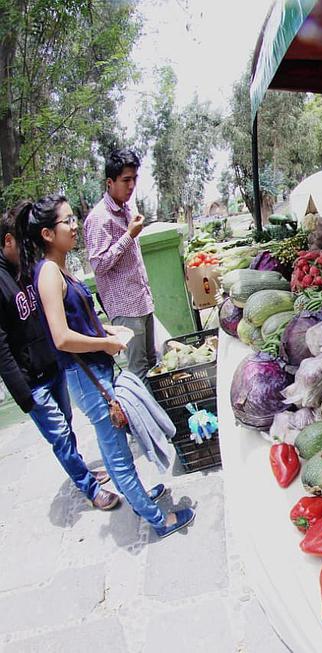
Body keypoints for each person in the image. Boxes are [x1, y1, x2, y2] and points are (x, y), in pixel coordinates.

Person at [18, 194, 194, 538]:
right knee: (116, 453)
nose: (73, 226)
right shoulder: (48, 274)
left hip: (95, 370)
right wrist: (105, 343)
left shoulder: (61, 267)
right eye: (66, 221)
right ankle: (159, 522)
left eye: (72, 218)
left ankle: (141, 494)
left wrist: (106, 330)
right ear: (47, 234)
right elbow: (61, 338)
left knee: (118, 439)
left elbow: (76, 320)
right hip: (85, 377)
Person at [0, 202, 119, 511]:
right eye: (21, 241)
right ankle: (90, 488)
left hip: (53, 367)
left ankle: (81, 469)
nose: (28, 247)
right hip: (31, 382)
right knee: (60, 437)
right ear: (7, 241)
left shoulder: (28, 270)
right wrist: (23, 394)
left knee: (67, 425)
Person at [84, 148, 156, 381]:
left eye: (134, 179)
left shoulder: (127, 209)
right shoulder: (99, 218)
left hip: (141, 300)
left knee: (153, 365)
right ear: (109, 182)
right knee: (139, 372)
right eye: (126, 180)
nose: (131, 185)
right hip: (125, 308)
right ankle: (142, 418)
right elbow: (99, 264)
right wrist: (128, 236)